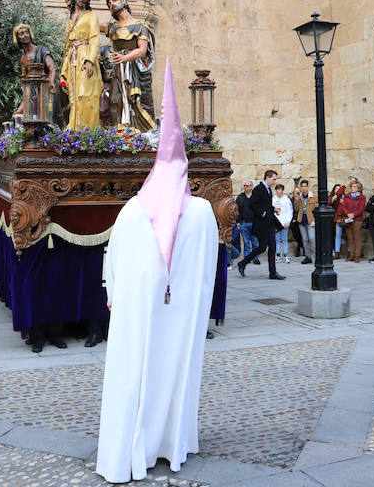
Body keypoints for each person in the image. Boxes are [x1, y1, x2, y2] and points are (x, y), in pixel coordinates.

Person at [96, 60, 216, 483]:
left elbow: (112, 262)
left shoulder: (131, 210)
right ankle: (172, 442)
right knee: (176, 367)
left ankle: (130, 447)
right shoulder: (201, 213)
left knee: (136, 369)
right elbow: (207, 277)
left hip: (139, 313)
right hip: (181, 313)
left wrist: (118, 296)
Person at [105, 0, 156, 131]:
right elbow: (91, 26)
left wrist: (125, 58)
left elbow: (142, 50)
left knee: (137, 100)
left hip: (136, 69)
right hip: (118, 69)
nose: (112, 5)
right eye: (109, 4)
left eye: (114, 1)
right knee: (114, 99)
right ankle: (120, 131)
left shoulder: (140, 26)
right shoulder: (112, 27)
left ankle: (143, 132)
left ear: (123, 2)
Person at [59, 0, 102, 129]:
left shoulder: (91, 16)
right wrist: (63, 72)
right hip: (72, 60)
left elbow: (95, 38)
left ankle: (88, 132)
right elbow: (67, 47)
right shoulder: (70, 20)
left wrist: (90, 60)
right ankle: (75, 131)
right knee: (73, 98)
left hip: (85, 57)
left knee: (85, 95)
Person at [237, 170, 285, 280]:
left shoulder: (268, 189)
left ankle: (272, 272)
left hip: (269, 223)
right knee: (263, 247)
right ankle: (243, 263)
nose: (274, 181)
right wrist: (262, 213)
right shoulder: (259, 189)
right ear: (267, 178)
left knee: (269, 247)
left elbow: (265, 205)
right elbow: (251, 204)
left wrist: (273, 210)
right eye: (273, 179)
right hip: (262, 224)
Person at [336, 180, 366, 262]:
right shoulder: (347, 196)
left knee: (357, 237)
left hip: (357, 219)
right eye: (352, 187)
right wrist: (348, 214)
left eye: (354, 187)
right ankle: (351, 255)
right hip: (348, 219)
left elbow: (361, 208)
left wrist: (353, 214)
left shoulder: (362, 197)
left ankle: (357, 255)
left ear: (358, 188)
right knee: (350, 238)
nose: (352, 188)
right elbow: (344, 206)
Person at [235, 180, 259, 265]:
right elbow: (237, 210)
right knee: (246, 242)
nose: (245, 187)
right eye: (244, 185)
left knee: (255, 242)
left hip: (254, 223)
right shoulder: (240, 197)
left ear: (251, 187)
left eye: (247, 186)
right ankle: (247, 258)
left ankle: (256, 258)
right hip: (244, 223)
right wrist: (239, 221)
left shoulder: (256, 197)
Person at [293, 179, 317, 264]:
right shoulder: (300, 197)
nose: (304, 188)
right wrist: (297, 199)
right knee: (305, 239)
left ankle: (316, 256)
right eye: (302, 186)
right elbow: (296, 209)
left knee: (312, 239)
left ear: (308, 187)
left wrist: (314, 220)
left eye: (305, 186)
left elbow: (316, 209)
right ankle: (308, 256)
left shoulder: (313, 196)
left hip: (310, 220)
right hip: (301, 220)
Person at [271, 184, 293, 263]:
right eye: (276, 189)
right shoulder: (273, 199)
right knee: (276, 240)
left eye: (279, 189)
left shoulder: (286, 200)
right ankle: (277, 255)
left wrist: (288, 222)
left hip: (284, 223)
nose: (278, 191)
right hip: (276, 223)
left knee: (284, 239)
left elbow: (290, 211)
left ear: (282, 190)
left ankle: (285, 255)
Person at [329, 184, 345, 259]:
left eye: (339, 189)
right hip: (332, 219)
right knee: (333, 235)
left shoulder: (344, 198)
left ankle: (339, 251)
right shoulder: (333, 197)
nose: (337, 190)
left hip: (341, 218)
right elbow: (329, 203)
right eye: (336, 189)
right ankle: (334, 251)